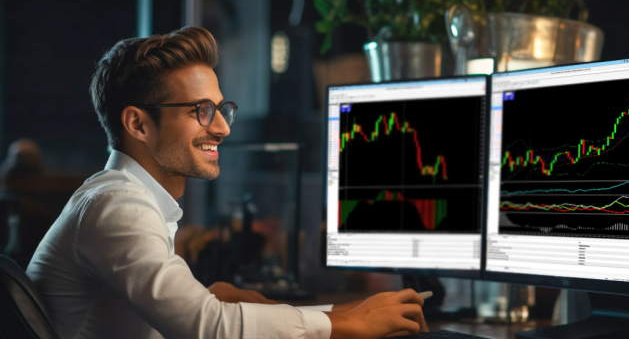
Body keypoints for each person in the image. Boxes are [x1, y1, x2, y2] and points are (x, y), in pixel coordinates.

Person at [26, 26, 427, 339]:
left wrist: (343, 314)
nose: (221, 128)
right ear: (138, 124)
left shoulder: (124, 200)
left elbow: (195, 315)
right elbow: (205, 328)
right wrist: (348, 326)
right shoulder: (116, 206)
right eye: (200, 110)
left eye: (221, 109)